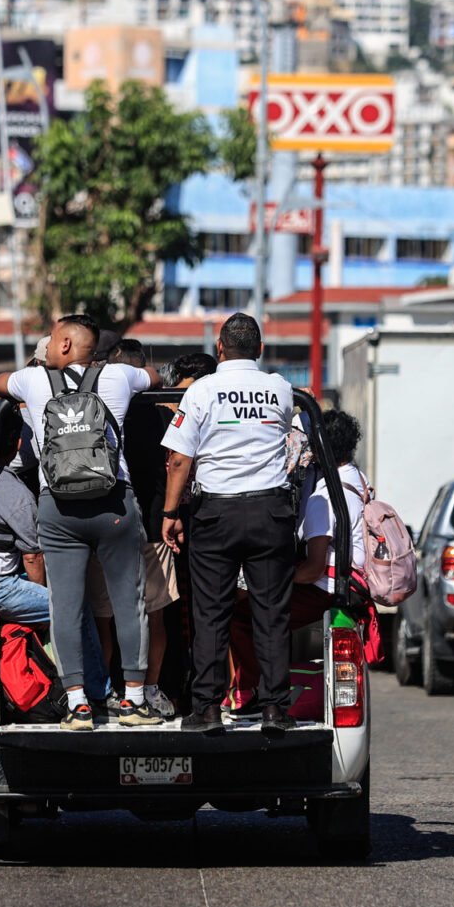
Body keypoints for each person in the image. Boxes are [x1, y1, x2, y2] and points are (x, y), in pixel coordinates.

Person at [0, 315, 161, 731]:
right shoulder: (119, 376)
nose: (46, 347)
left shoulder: (33, 382)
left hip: (59, 510)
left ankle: (77, 704)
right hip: (114, 504)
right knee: (128, 602)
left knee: (64, 606)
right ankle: (134, 701)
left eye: (50, 341)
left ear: (65, 345)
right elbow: (155, 378)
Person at [160, 313, 297, 736]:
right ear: (259, 348)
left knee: (211, 612)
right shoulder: (280, 388)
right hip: (271, 512)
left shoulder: (202, 389)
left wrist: (169, 514)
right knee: (271, 613)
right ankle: (274, 708)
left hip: (216, 515)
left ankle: (207, 709)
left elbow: (180, 459)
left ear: (220, 349)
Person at [0, 402, 107, 692]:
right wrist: (43, 598)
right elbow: (32, 557)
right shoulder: (16, 493)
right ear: (18, 444)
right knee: (73, 608)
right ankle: (99, 692)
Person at [226, 410, 369, 714]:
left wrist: (273, 578)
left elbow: (313, 568)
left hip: (325, 587)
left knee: (243, 614)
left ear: (318, 447)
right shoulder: (356, 479)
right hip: (350, 582)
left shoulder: (324, 496)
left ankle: (258, 694)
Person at [87, 339, 182, 717]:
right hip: (155, 527)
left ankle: (105, 692)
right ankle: (149, 690)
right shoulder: (161, 415)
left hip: (106, 522)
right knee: (153, 614)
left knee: (104, 617)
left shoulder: (99, 408)